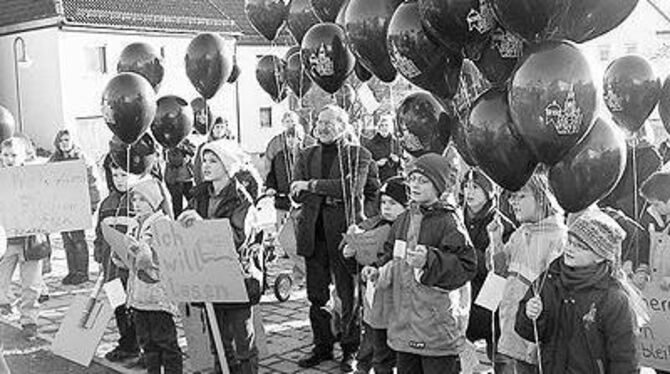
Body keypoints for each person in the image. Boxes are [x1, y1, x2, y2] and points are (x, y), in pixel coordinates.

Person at [370, 153, 477, 374]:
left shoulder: (449, 221)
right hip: (403, 322)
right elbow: (391, 252)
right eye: (413, 179)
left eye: (424, 180)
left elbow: (466, 265)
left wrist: (429, 260)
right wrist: (378, 269)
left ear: (438, 186)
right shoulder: (403, 219)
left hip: (434, 325)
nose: (415, 185)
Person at [291, 105, 375, 371]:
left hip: (344, 236)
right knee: (316, 296)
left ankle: (351, 349)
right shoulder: (305, 154)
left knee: (347, 295)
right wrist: (323, 190)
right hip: (313, 235)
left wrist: (312, 186)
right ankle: (322, 346)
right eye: (319, 120)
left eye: (329, 122)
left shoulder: (358, 154)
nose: (323, 126)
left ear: (343, 124)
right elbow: (294, 191)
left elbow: (352, 188)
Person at [516, 208, 645, 374]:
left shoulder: (614, 298)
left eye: (580, 246)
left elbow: (625, 358)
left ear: (600, 255)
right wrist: (530, 315)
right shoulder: (550, 278)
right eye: (569, 241)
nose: (570, 249)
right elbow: (526, 331)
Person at [178, 139, 262, 374]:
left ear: (227, 166)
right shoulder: (198, 196)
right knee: (217, 338)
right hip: (208, 274)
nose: (205, 165)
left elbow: (237, 238)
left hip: (236, 277)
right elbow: (186, 226)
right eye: (204, 160)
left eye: (213, 161)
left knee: (242, 340)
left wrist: (203, 225)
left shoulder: (241, 199)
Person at [487, 171, 567, 374]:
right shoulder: (520, 233)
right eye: (512, 197)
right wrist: (495, 240)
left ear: (542, 197)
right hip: (510, 329)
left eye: (521, 196)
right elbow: (499, 271)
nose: (514, 202)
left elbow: (556, 293)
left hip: (534, 340)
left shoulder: (558, 238)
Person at [346, 176, 408, 374]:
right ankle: (364, 366)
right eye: (383, 202)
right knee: (373, 339)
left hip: (398, 300)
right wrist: (351, 253)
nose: (386, 207)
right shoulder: (373, 225)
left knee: (390, 350)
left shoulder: (408, 230)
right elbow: (360, 262)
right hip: (375, 299)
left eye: (393, 203)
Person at [128, 179, 182, 374]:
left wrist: (145, 252)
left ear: (154, 201)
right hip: (140, 296)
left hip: (159, 296)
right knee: (147, 343)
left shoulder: (162, 223)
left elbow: (167, 258)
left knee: (166, 342)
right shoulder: (135, 224)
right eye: (134, 199)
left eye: (142, 200)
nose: (136, 204)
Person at [462, 170, 515, 360]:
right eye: (466, 186)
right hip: (461, 299)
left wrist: (466, 259)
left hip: (491, 303)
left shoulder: (502, 225)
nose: (469, 192)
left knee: (497, 358)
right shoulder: (456, 220)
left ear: (488, 192)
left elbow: (502, 267)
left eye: (475, 187)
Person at [94, 155, 142, 364]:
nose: (119, 179)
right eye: (115, 175)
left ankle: (140, 345)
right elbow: (99, 234)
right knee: (119, 307)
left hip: (132, 271)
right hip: (110, 270)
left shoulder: (140, 201)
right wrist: (98, 254)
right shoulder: (106, 203)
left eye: (124, 175)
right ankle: (127, 344)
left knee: (136, 309)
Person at [0, 137, 47, 338]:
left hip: (30, 241)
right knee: (1, 280)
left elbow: (46, 204)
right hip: (6, 241)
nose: (9, 159)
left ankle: (29, 320)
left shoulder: (33, 178)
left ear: (23, 156)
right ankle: (4, 304)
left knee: (31, 284)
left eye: (13, 155)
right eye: (5, 155)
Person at [49, 129, 101, 285]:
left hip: (78, 205)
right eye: (61, 140)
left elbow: (93, 183)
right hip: (61, 206)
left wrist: (92, 204)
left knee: (78, 239)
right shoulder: (54, 160)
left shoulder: (82, 159)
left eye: (66, 140)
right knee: (67, 240)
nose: (64, 143)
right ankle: (71, 271)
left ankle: (82, 272)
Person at [600, 123, 662, 220]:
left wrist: (617, 209)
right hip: (605, 209)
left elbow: (645, 193)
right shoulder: (615, 151)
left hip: (628, 216)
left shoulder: (651, 157)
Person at [639, 171, 670, 290]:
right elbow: (644, 246)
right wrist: (642, 270)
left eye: (657, 204)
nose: (653, 208)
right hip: (658, 292)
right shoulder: (652, 217)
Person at [264, 111, 314, 179]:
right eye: (287, 121)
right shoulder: (275, 143)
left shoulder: (309, 141)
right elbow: (269, 164)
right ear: (283, 123)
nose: (290, 124)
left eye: (292, 121)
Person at [361, 109, 402, 183]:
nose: (384, 128)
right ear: (378, 128)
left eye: (386, 125)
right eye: (382, 125)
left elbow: (402, 162)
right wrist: (376, 163)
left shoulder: (395, 142)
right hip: (377, 179)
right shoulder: (371, 144)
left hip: (393, 180)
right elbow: (366, 163)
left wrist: (397, 160)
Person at [193, 117, 236, 185]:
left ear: (225, 130)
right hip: (208, 184)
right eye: (217, 127)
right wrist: (200, 184)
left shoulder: (229, 146)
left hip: (226, 184)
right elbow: (197, 168)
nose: (219, 130)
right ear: (212, 129)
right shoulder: (204, 147)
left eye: (222, 127)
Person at [164, 139, 196, 217]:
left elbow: (193, 150)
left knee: (193, 202)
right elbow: (175, 160)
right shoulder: (168, 143)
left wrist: (184, 148)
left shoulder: (184, 140)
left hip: (187, 179)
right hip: (174, 180)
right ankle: (178, 223)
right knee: (177, 205)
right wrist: (184, 157)